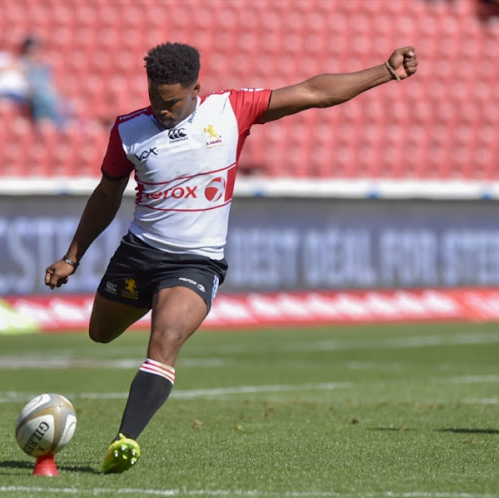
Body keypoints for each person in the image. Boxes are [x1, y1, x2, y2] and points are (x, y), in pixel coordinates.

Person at [44, 42, 418, 472]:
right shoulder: (128, 130)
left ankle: (124, 441)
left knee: (164, 342)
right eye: (155, 100)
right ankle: (142, 317)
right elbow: (107, 193)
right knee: (100, 333)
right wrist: (72, 257)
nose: (162, 111)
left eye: (171, 103)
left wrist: (383, 72)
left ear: (195, 89)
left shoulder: (230, 111)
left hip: (195, 262)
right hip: (139, 255)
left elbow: (314, 92)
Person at [19, 36, 68, 128]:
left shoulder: (43, 64)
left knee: (61, 102)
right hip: (32, 92)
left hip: (45, 92)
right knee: (44, 98)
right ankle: (45, 124)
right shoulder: (22, 63)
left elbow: (48, 81)